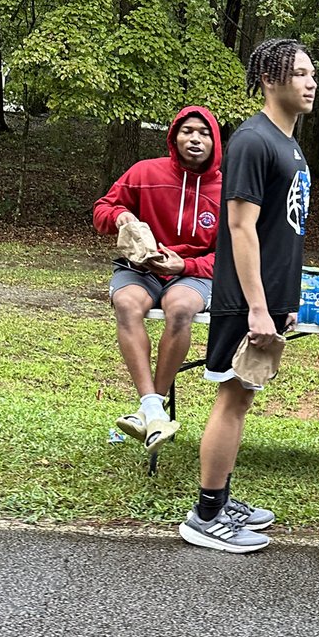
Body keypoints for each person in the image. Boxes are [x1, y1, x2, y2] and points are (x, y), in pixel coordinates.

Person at [178, 38, 316, 554]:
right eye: (299, 74)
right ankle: (206, 514)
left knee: (243, 397)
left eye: (312, 74)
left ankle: (221, 498)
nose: (310, 83)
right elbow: (240, 227)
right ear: (270, 79)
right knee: (232, 398)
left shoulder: (289, 144)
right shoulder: (252, 141)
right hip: (246, 299)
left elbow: (286, 230)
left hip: (271, 298)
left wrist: (286, 300)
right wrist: (258, 306)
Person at [93, 107, 222, 455]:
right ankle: (153, 409)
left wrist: (187, 265)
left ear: (216, 140)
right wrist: (121, 216)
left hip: (191, 274)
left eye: (204, 133)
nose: (195, 138)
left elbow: (230, 257)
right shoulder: (144, 172)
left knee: (180, 308)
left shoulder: (227, 189)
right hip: (140, 270)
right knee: (126, 303)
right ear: (174, 137)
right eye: (187, 131)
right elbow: (102, 210)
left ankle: (151, 406)